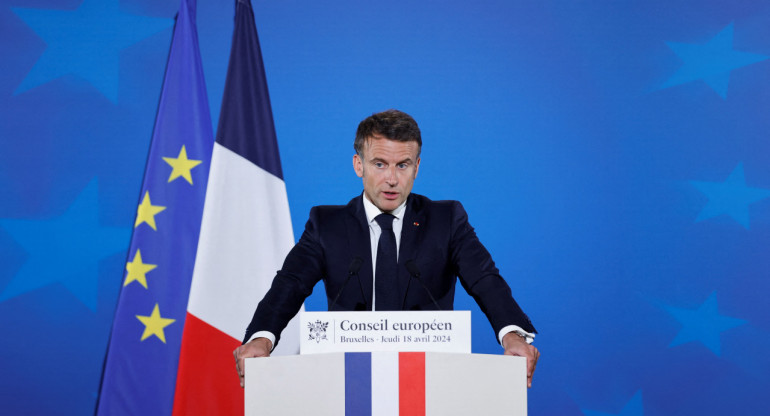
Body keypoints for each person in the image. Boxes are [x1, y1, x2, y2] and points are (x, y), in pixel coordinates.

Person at [234, 109, 539, 387]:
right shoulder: (326, 224)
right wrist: (262, 337)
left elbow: (484, 278)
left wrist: (512, 335)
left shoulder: (446, 220)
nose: (392, 179)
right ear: (359, 164)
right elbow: (291, 283)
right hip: (348, 381)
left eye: (402, 165)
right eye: (379, 164)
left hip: (430, 380)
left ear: (417, 167)